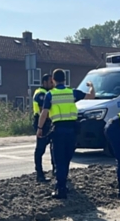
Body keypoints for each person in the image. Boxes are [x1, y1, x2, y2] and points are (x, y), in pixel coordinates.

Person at [37, 69, 95, 199]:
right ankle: (63, 184)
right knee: (67, 159)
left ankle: (60, 189)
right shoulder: (72, 92)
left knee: (59, 160)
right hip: (72, 131)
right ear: (65, 79)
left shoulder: (50, 95)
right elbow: (91, 96)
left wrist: (40, 128)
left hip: (58, 131)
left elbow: (44, 113)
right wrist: (91, 86)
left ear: (53, 80)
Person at [32, 74, 56, 182]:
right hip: (43, 123)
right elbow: (43, 111)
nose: (52, 84)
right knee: (40, 149)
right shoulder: (41, 93)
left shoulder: (47, 92)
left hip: (47, 123)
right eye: (51, 82)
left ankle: (55, 171)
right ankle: (40, 174)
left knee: (53, 147)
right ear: (44, 82)